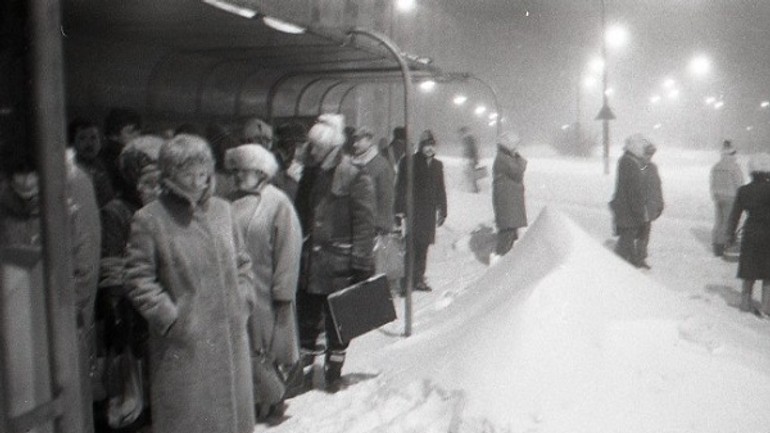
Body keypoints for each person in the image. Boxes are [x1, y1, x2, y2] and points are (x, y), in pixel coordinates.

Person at [123, 134, 256, 433]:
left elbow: (243, 261)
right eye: (188, 174)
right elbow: (136, 278)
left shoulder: (223, 211)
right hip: (185, 350)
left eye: (202, 172)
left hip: (232, 340)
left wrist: (244, 300)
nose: (197, 181)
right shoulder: (151, 219)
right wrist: (172, 321)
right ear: (169, 174)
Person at [0, 141, 100, 433]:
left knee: (64, 405)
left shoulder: (66, 211)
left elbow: (83, 267)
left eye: (33, 173)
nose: (27, 181)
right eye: (19, 173)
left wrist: (65, 316)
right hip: (11, 330)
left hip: (58, 326)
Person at [294, 113, 375, 392]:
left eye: (316, 146)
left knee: (339, 325)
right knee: (306, 322)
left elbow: (365, 222)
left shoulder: (354, 174)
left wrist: (362, 261)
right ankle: (302, 378)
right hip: (311, 262)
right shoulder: (309, 173)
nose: (311, 151)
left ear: (329, 146)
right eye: (311, 146)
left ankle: (333, 373)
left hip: (340, 263)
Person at [225, 144, 302, 418]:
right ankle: (252, 402)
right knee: (243, 346)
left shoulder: (277, 202)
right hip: (238, 287)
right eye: (234, 171)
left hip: (267, 289)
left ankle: (273, 400)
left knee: (267, 348)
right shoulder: (227, 201)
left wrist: (283, 291)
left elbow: (289, 250)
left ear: (260, 171)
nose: (236, 177)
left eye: (242, 171)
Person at [95, 135, 163, 432]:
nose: (154, 187)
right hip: (128, 306)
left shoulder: (162, 209)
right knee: (131, 369)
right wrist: (117, 308)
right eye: (148, 179)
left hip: (156, 301)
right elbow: (111, 266)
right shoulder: (116, 211)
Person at [394, 129, 447, 292]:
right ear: (420, 146)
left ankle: (418, 279)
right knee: (410, 247)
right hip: (413, 211)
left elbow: (440, 188)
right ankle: (406, 281)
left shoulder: (438, 165)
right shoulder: (409, 162)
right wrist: (400, 209)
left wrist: (443, 210)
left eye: (432, 145)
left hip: (428, 212)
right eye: (426, 145)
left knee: (423, 246)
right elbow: (400, 186)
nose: (430, 149)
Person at [351, 126, 399, 291]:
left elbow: (387, 198)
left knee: (373, 271)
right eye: (354, 140)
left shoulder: (380, 165)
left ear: (369, 141)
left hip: (373, 228)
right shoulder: (354, 162)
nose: (355, 144)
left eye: (359, 140)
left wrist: (382, 226)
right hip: (357, 226)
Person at [725, 153, 770, 316]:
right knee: (768, 271)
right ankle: (767, 306)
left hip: (751, 232)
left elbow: (735, 215)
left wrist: (730, 234)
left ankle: (745, 302)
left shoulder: (744, 190)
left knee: (749, 268)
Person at [610, 133, 651, 268]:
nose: (643, 150)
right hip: (629, 213)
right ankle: (615, 271)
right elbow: (634, 193)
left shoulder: (625, 161)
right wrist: (640, 213)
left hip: (624, 210)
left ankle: (634, 265)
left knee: (627, 241)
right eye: (642, 147)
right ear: (636, 147)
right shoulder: (631, 164)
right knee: (625, 244)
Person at [491, 132, 527, 260]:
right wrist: (519, 158)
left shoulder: (504, 157)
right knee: (507, 235)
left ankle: (506, 262)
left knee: (510, 234)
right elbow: (517, 171)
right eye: (515, 145)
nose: (516, 148)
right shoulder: (503, 159)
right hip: (507, 204)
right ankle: (500, 265)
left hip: (510, 203)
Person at [68, 118, 115, 207]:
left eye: (93, 138)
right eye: (82, 138)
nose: (89, 144)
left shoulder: (105, 166)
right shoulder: (71, 169)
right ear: (72, 143)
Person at [710, 140, 744, 257]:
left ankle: (717, 246)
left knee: (719, 221)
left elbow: (712, 182)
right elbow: (739, 183)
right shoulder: (734, 167)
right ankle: (728, 245)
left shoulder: (716, 166)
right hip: (731, 197)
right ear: (732, 154)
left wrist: (714, 194)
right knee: (729, 222)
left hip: (718, 197)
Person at [102, 108, 142, 198]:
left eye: (138, 132)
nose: (137, 136)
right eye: (130, 132)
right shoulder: (121, 159)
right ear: (114, 135)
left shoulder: (106, 156)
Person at [636, 142, 664, 269]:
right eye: (647, 153)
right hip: (639, 206)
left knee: (645, 234)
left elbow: (657, 187)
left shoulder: (653, 168)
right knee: (638, 233)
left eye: (651, 154)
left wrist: (660, 203)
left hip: (650, 207)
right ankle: (636, 258)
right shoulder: (637, 166)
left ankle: (641, 258)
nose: (649, 156)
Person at [459, 126, 480, 193]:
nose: (460, 134)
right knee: (471, 173)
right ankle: (473, 187)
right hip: (470, 158)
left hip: (470, 158)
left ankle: (474, 188)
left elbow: (471, 149)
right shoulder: (468, 138)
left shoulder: (468, 138)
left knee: (471, 173)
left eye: (461, 132)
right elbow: (473, 149)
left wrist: (472, 158)